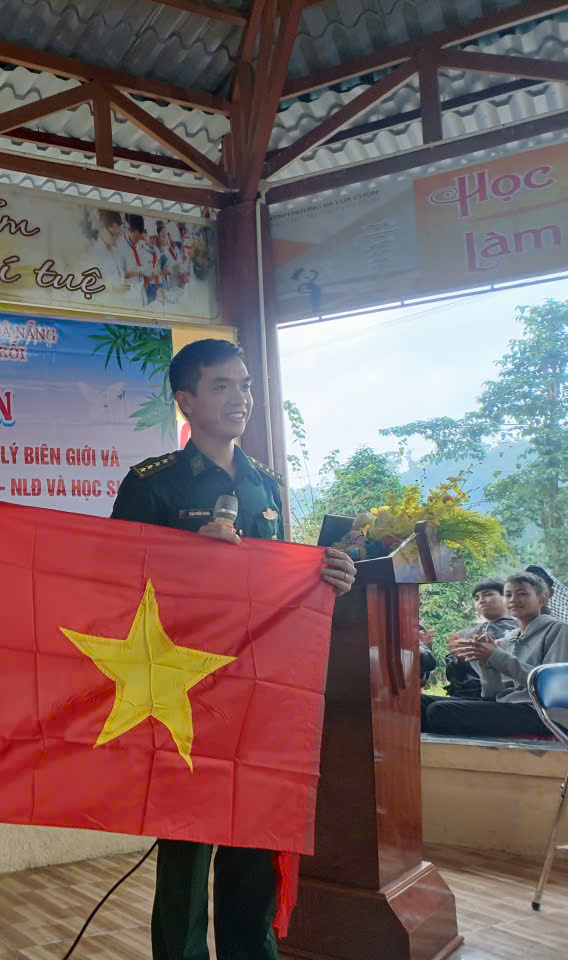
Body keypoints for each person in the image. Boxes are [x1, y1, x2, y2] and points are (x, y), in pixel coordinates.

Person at [110, 338, 356, 960]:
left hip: (258, 689)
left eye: (245, 384)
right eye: (221, 385)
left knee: (254, 835)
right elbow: (114, 583)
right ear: (186, 400)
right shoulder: (152, 484)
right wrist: (188, 557)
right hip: (180, 689)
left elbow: (283, 581)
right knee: (186, 846)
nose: (240, 397)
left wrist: (327, 575)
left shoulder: (266, 484)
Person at [423, 571, 568, 736]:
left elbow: (552, 687)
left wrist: (496, 656)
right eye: (508, 594)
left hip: (540, 713)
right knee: (418, 704)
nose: (513, 599)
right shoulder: (508, 639)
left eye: (522, 593)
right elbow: (492, 695)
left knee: (439, 711)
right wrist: (485, 663)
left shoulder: (558, 630)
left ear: (542, 599)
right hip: (508, 705)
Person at [440, 579, 516, 701]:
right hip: (464, 695)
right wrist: (459, 658)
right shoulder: (466, 634)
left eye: (488, 594)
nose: (481, 600)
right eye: (476, 598)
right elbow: (454, 673)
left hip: (497, 697)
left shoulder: (516, 630)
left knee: (437, 707)